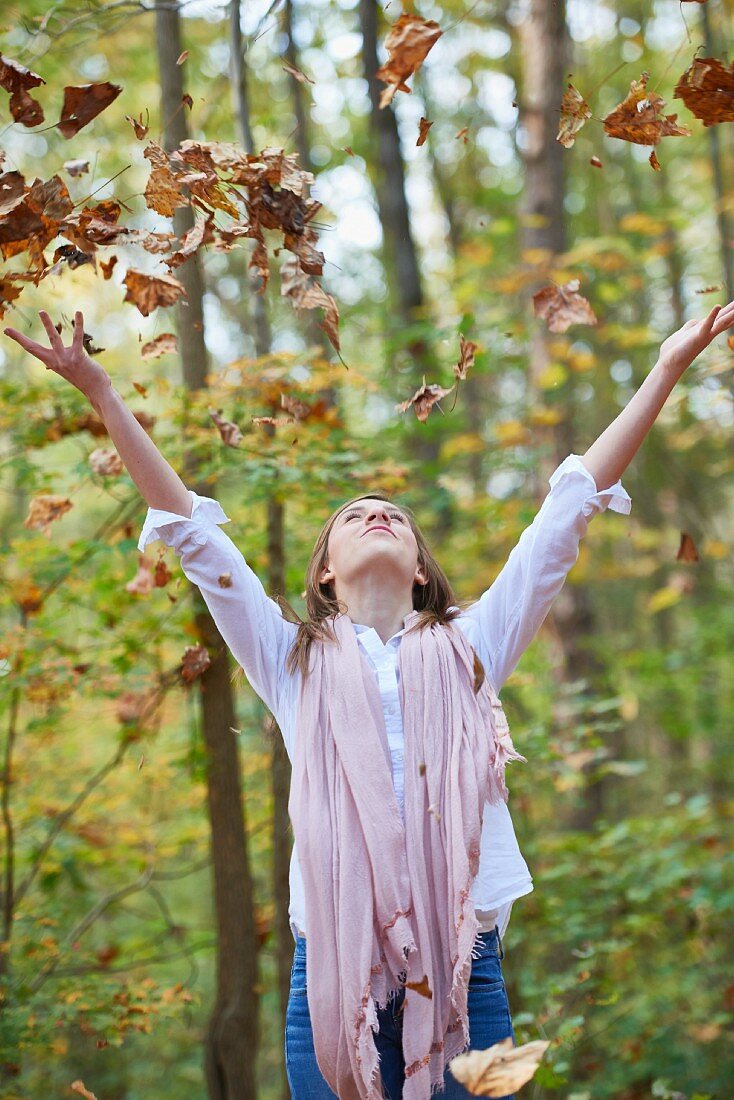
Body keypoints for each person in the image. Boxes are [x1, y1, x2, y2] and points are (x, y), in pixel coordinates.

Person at [5, 302, 734, 1100]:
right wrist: (104, 392)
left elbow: (568, 510)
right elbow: (190, 531)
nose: (377, 514)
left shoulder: (473, 648)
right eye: (354, 516)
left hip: (468, 974)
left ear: (420, 568)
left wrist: (666, 367)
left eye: (393, 516)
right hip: (331, 973)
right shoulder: (290, 660)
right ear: (324, 574)